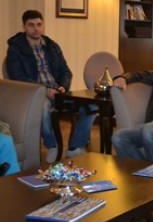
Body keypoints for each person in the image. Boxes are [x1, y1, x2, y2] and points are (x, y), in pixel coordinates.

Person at [6, 10, 96, 163]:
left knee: (92, 106)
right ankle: (51, 145)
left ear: (43, 25)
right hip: (36, 94)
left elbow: (66, 71)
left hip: (58, 92)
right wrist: (44, 89)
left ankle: (75, 147)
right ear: (24, 27)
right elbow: (18, 77)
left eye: (39, 24)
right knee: (43, 108)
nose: (36, 28)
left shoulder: (52, 46)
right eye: (31, 25)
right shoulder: (16, 49)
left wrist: (63, 86)